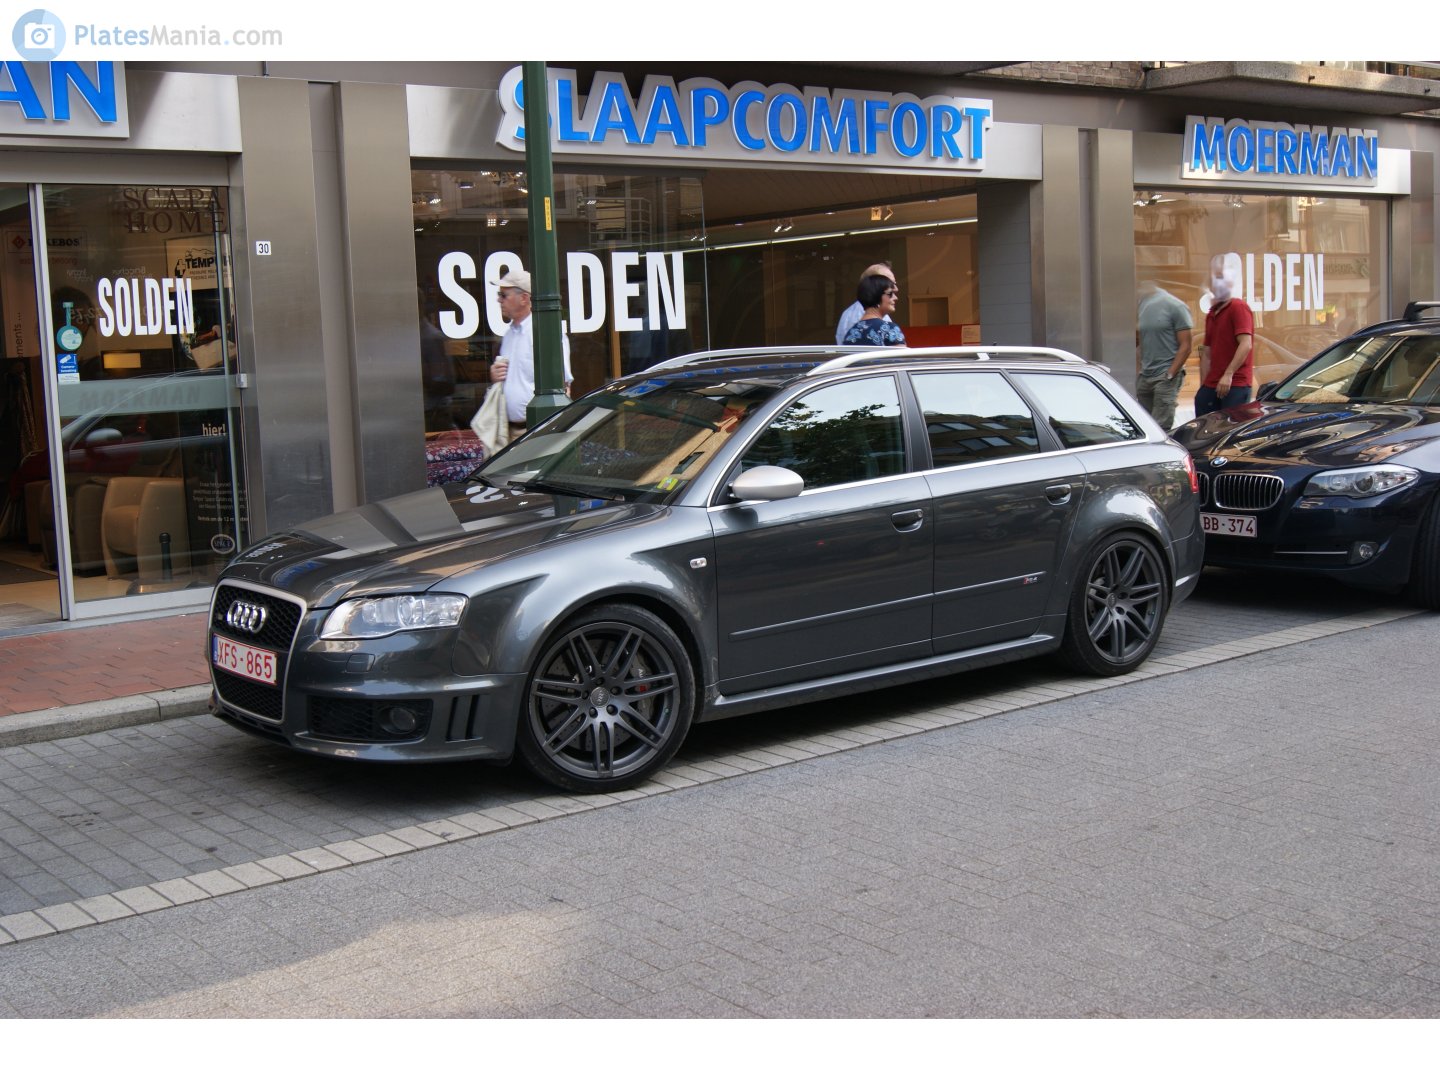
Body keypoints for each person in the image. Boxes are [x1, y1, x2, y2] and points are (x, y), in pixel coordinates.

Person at [488, 269, 573, 441]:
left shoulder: (545, 333)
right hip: (509, 431)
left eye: (503, 295)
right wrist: (495, 377)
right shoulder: (508, 335)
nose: (499, 300)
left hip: (536, 432)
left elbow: (563, 387)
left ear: (524, 298)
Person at [1195, 253, 1254, 417]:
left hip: (1235, 383)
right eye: (1214, 278)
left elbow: (1246, 344)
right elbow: (1207, 353)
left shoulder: (1238, 307)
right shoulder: (1212, 314)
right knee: (1203, 423)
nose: (1216, 283)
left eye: (1221, 277)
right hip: (1212, 383)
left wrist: (1228, 374)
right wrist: (1204, 385)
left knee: (1229, 428)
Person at [1135, 280, 1193, 429]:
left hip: (1165, 375)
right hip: (1145, 375)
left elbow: (1186, 345)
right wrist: (1139, 370)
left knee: (1160, 428)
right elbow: (1139, 340)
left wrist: (1170, 374)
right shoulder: (1142, 305)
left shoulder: (1175, 306)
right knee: (1143, 426)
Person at [835, 262, 896, 345]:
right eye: (890, 284)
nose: (896, 288)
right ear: (875, 285)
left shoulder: (850, 313)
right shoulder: (863, 316)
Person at [841, 274, 906, 347]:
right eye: (890, 293)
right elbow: (902, 357)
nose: (895, 298)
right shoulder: (890, 329)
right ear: (876, 296)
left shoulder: (850, 333)